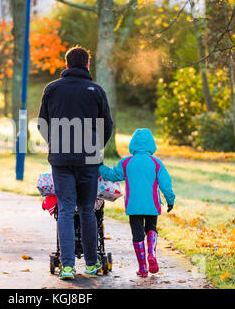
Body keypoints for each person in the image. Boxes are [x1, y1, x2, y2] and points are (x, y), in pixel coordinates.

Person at [37, 46, 113, 280]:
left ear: (67, 65)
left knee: (67, 210)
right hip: (88, 158)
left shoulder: (52, 89)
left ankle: (67, 266)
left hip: (61, 159)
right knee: (88, 210)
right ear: (87, 65)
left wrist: (55, 142)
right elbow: (107, 125)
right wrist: (95, 145)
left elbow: (42, 122)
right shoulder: (96, 90)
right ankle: (91, 264)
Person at [99, 128, 175, 277]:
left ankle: (143, 268)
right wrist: (170, 200)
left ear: (133, 144)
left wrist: (100, 166)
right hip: (152, 204)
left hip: (133, 205)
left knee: (137, 234)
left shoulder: (127, 162)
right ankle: (151, 253)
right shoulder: (156, 163)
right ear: (151, 145)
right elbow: (166, 183)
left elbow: (113, 175)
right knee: (151, 228)